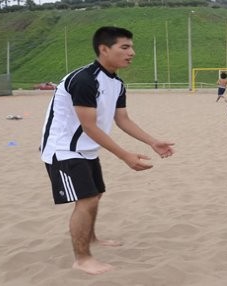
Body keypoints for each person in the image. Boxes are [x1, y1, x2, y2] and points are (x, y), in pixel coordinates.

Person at [40, 26, 175, 275]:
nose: (132, 52)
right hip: (64, 149)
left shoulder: (116, 83)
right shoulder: (84, 80)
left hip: (88, 150)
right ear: (104, 49)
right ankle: (82, 258)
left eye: (131, 47)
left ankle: (90, 238)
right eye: (124, 47)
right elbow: (89, 126)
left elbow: (122, 118)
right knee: (87, 199)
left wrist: (152, 141)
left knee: (96, 195)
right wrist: (125, 155)